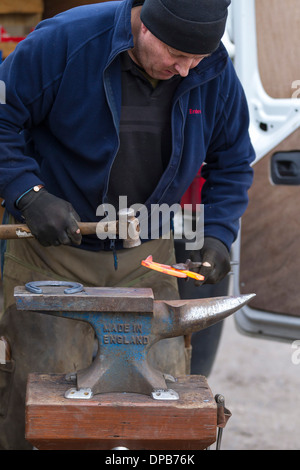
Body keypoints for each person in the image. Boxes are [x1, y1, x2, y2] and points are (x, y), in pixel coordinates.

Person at [0, 0, 255, 449]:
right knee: (40, 407)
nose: (185, 70)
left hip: (148, 264)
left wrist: (218, 233)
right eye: (177, 56)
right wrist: (27, 193)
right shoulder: (65, 42)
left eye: (197, 59)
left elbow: (233, 160)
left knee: (165, 408)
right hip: (52, 261)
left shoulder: (211, 68)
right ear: (147, 24)